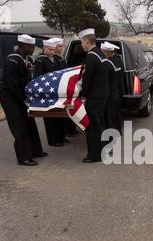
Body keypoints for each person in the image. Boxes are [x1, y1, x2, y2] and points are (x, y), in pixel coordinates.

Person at [0, 34, 47, 166]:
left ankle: (36, 151)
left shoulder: (24, 58)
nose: (33, 49)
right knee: (19, 125)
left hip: (19, 94)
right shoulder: (12, 61)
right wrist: (24, 99)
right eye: (31, 47)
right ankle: (24, 157)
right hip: (10, 96)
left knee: (29, 123)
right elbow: (12, 85)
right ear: (24, 46)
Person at [78, 28, 109, 163]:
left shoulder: (91, 57)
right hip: (102, 95)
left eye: (82, 42)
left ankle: (94, 155)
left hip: (95, 97)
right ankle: (101, 151)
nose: (81, 45)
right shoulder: (101, 54)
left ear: (86, 41)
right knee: (99, 124)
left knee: (92, 127)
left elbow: (88, 79)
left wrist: (82, 93)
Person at [34, 38, 66, 147]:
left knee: (58, 115)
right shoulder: (40, 60)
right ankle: (53, 139)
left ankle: (60, 137)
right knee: (50, 117)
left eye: (53, 49)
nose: (52, 51)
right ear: (44, 48)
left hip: (55, 91)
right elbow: (38, 78)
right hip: (46, 93)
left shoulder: (52, 59)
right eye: (50, 49)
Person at [52, 37, 79, 137]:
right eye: (59, 46)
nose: (61, 48)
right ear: (54, 47)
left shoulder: (61, 57)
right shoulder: (55, 59)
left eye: (61, 46)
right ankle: (66, 131)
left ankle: (70, 130)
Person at [101, 41, 124, 134]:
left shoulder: (109, 63)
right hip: (119, 90)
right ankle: (118, 130)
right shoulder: (118, 60)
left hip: (112, 92)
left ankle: (111, 133)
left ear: (108, 52)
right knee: (116, 112)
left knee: (110, 114)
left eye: (103, 52)